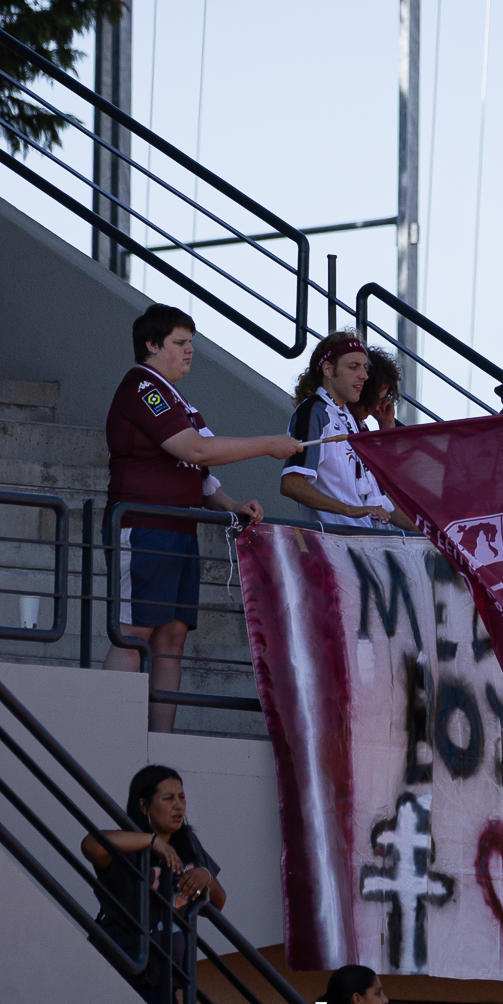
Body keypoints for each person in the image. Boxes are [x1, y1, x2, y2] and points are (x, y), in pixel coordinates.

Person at [105, 304, 303, 732]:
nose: (190, 351)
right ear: (152, 345)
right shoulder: (143, 386)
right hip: (145, 526)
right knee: (134, 630)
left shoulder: (178, 398)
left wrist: (231, 506)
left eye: (191, 342)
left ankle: (160, 742)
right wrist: (268, 443)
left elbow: (200, 474)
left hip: (180, 527)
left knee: (173, 636)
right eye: (180, 343)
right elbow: (195, 451)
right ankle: (109, 737)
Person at [80, 765, 226, 1004]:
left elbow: (219, 901)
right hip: (122, 971)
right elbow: (90, 845)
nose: (178, 806)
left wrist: (205, 875)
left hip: (164, 977)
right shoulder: (128, 844)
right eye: (168, 798)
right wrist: (151, 842)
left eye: (181, 797)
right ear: (144, 806)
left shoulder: (188, 844)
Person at [281, 333, 416, 532]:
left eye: (364, 367)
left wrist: (428, 532)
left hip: (367, 543)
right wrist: (349, 510)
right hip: (337, 549)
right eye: (354, 367)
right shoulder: (313, 412)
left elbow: (381, 499)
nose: (364, 375)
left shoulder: (351, 421)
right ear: (328, 369)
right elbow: (291, 484)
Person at [351, 346, 401, 430]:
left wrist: (387, 425)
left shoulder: (360, 425)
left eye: (380, 400)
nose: (377, 408)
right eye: (372, 399)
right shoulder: (331, 419)